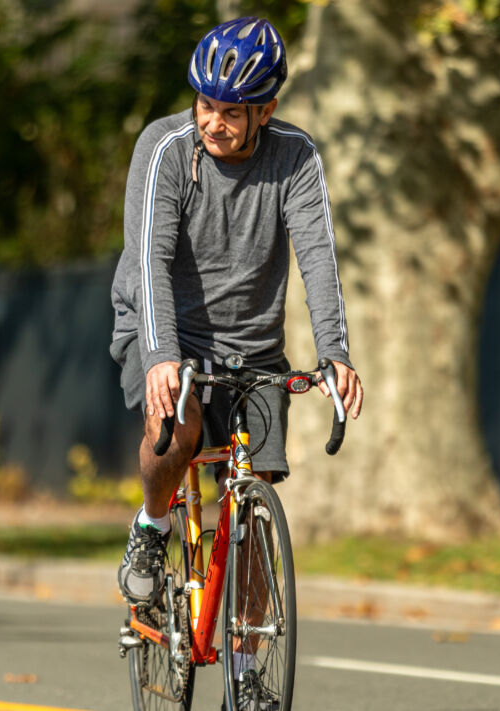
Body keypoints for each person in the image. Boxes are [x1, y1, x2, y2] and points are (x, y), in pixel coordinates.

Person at [109, 16, 363, 710]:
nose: (213, 122)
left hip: (253, 344)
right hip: (162, 326)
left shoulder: (296, 158)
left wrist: (335, 353)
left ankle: (248, 669)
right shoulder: (165, 149)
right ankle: (152, 527)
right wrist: (162, 357)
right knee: (180, 427)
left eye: (231, 111)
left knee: (253, 491)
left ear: (266, 111)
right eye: (205, 105)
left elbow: (318, 258)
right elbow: (150, 261)